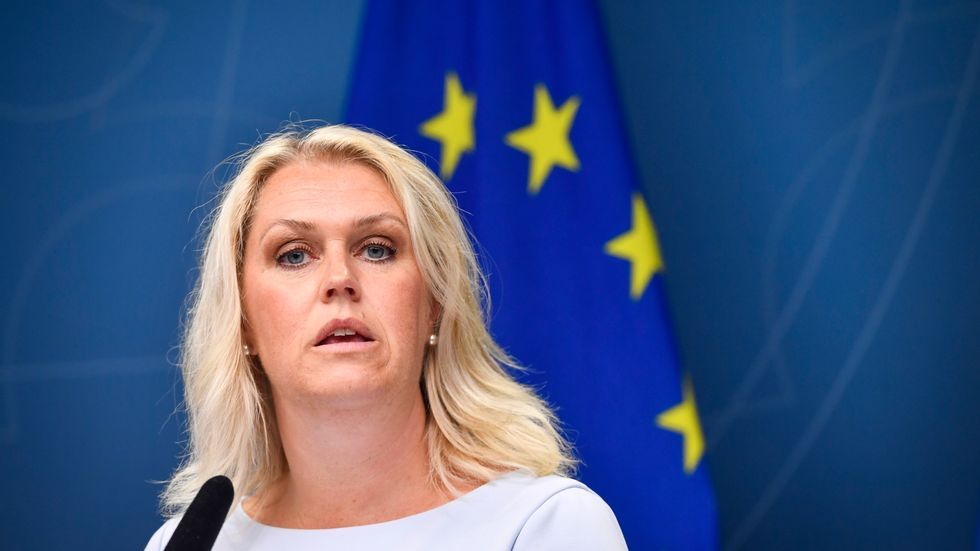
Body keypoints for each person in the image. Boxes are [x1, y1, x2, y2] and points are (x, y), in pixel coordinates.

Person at [145, 124, 627, 550]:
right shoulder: (184, 544)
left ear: (434, 304)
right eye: (294, 255)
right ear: (244, 320)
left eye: (376, 249)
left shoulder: (545, 524)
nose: (340, 278)